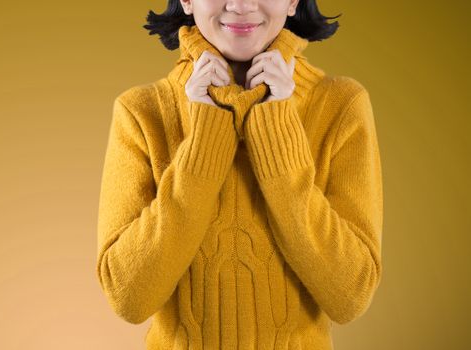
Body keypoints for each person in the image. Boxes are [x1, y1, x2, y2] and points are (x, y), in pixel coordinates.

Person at [95, 0, 384, 348]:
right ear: (186, 0)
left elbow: (350, 296)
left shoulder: (340, 105)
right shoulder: (141, 112)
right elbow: (128, 298)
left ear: (293, 1)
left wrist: (277, 131)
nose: (241, 5)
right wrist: (203, 144)